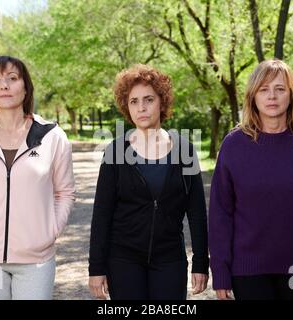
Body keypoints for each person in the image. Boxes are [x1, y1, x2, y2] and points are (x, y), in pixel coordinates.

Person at [209, 59, 293, 300]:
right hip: (247, 272)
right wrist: (220, 269)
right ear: (253, 96)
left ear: (291, 95)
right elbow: (220, 213)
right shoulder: (234, 145)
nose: (272, 96)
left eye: (280, 89)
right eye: (264, 89)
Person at [0, 56, 75, 300]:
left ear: (26, 87)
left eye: (12, 78)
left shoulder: (52, 136)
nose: (4, 86)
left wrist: (51, 231)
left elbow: (65, 192)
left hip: (35, 261)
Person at [88, 64, 209, 300]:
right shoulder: (115, 152)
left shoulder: (185, 150)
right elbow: (102, 213)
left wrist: (201, 263)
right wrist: (96, 268)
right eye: (133, 101)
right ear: (127, 107)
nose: (141, 108)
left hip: (170, 259)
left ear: (161, 102)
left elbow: (196, 213)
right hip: (123, 260)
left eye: (148, 99)